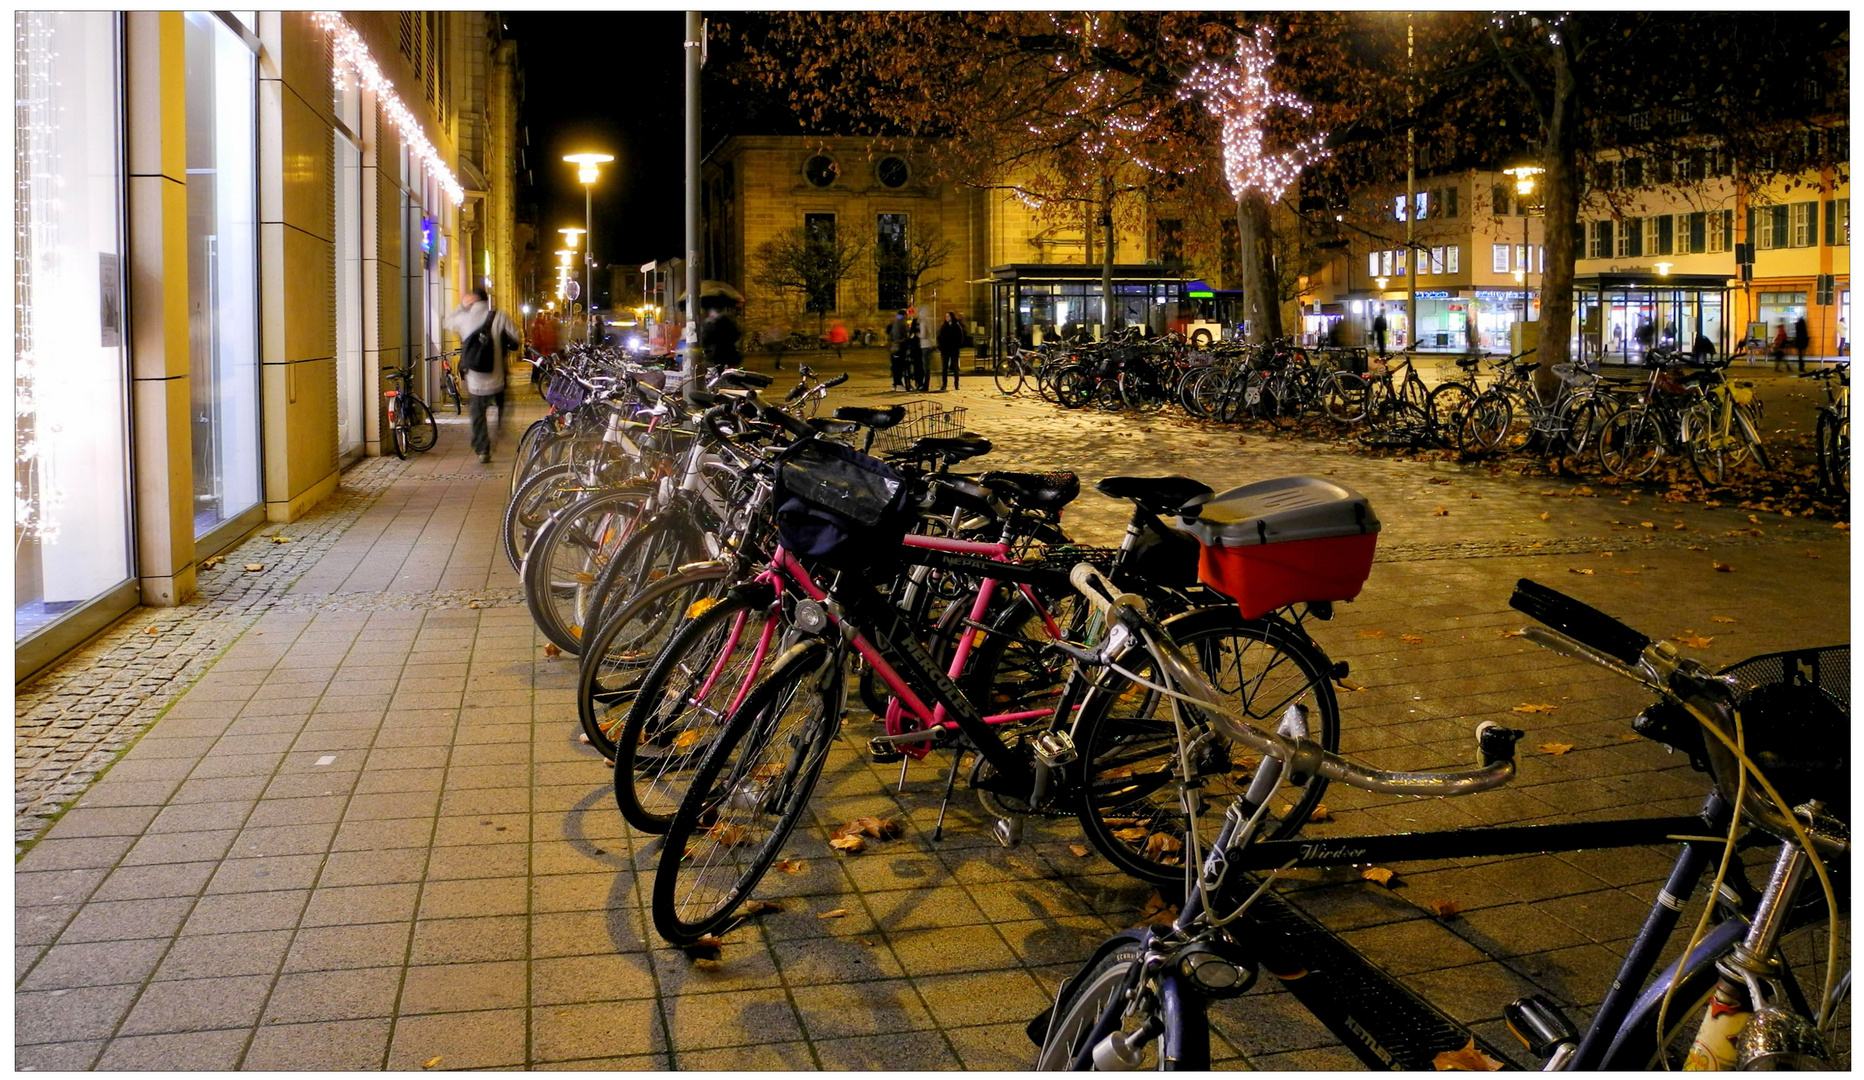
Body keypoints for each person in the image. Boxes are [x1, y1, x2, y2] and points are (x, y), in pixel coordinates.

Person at [444, 288, 520, 464]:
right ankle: (500, 427)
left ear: (472, 300)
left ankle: (483, 449)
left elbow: (447, 322)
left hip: (475, 380)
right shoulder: (499, 317)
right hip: (498, 378)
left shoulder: (464, 318)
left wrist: (462, 307)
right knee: (503, 403)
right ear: (487, 300)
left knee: (478, 415)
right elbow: (515, 340)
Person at [699, 305, 741, 379]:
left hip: (715, 355)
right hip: (730, 353)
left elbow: (705, 339)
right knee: (729, 376)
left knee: (716, 376)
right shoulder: (730, 321)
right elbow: (736, 335)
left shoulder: (711, 324)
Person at [936, 312, 965, 391]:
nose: (947, 317)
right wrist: (940, 346)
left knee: (955, 368)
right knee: (944, 368)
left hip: (954, 349)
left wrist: (957, 346)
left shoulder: (956, 326)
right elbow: (939, 337)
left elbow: (960, 337)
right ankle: (944, 384)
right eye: (946, 316)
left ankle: (956, 384)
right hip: (945, 350)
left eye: (948, 316)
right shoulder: (944, 326)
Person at [905, 307, 928, 392]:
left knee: (921, 366)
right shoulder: (915, 321)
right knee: (917, 365)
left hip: (923, 346)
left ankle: (921, 383)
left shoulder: (926, 322)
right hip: (916, 347)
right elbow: (912, 333)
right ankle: (919, 382)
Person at [886, 309, 909, 390]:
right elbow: (904, 334)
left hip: (894, 346)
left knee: (895, 366)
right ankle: (898, 384)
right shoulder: (901, 322)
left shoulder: (896, 322)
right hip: (899, 346)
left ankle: (896, 384)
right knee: (899, 366)